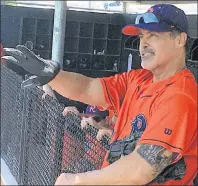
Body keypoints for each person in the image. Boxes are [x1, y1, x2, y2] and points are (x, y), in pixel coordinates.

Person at [2, 4, 197, 185]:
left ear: (180, 39)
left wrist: (79, 180)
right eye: (141, 36)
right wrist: (53, 76)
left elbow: (143, 168)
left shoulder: (180, 96)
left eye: (153, 35)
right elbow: (88, 88)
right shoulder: (140, 79)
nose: (143, 44)